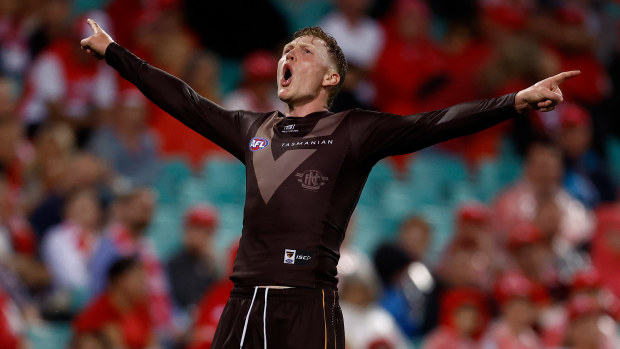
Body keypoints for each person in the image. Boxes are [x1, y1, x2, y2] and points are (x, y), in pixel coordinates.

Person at [80, 18, 580, 348]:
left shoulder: (355, 130)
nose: (287, 57)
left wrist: (513, 101)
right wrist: (114, 52)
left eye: (302, 51)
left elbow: (435, 121)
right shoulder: (253, 128)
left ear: (330, 77)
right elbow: (184, 100)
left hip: (309, 303)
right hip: (244, 299)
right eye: (285, 51)